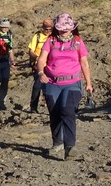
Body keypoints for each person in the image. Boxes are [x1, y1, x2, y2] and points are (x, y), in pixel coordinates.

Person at [35, 13, 93, 160]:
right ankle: (57, 143)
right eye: (61, 28)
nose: (64, 31)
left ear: (72, 28)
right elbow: (41, 59)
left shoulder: (78, 42)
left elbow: (84, 63)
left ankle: (70, 147)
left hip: (72, 83)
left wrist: (89, 83)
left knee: (67, 112)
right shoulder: (51, 41)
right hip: (52, 82)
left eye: (67, 28)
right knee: (54, 114)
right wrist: (41, 72)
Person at [27, 18, 54, 113]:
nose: (48, 31)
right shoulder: (37, 36)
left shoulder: (53, 37)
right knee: (37, 86)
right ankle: (33, 107)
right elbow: (31, 51)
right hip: (39, 65)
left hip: (51, 66)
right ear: (43, 28)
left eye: (50, 29)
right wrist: (36, 58)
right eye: (46, 29)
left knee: (50, 88)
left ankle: (52, 109)